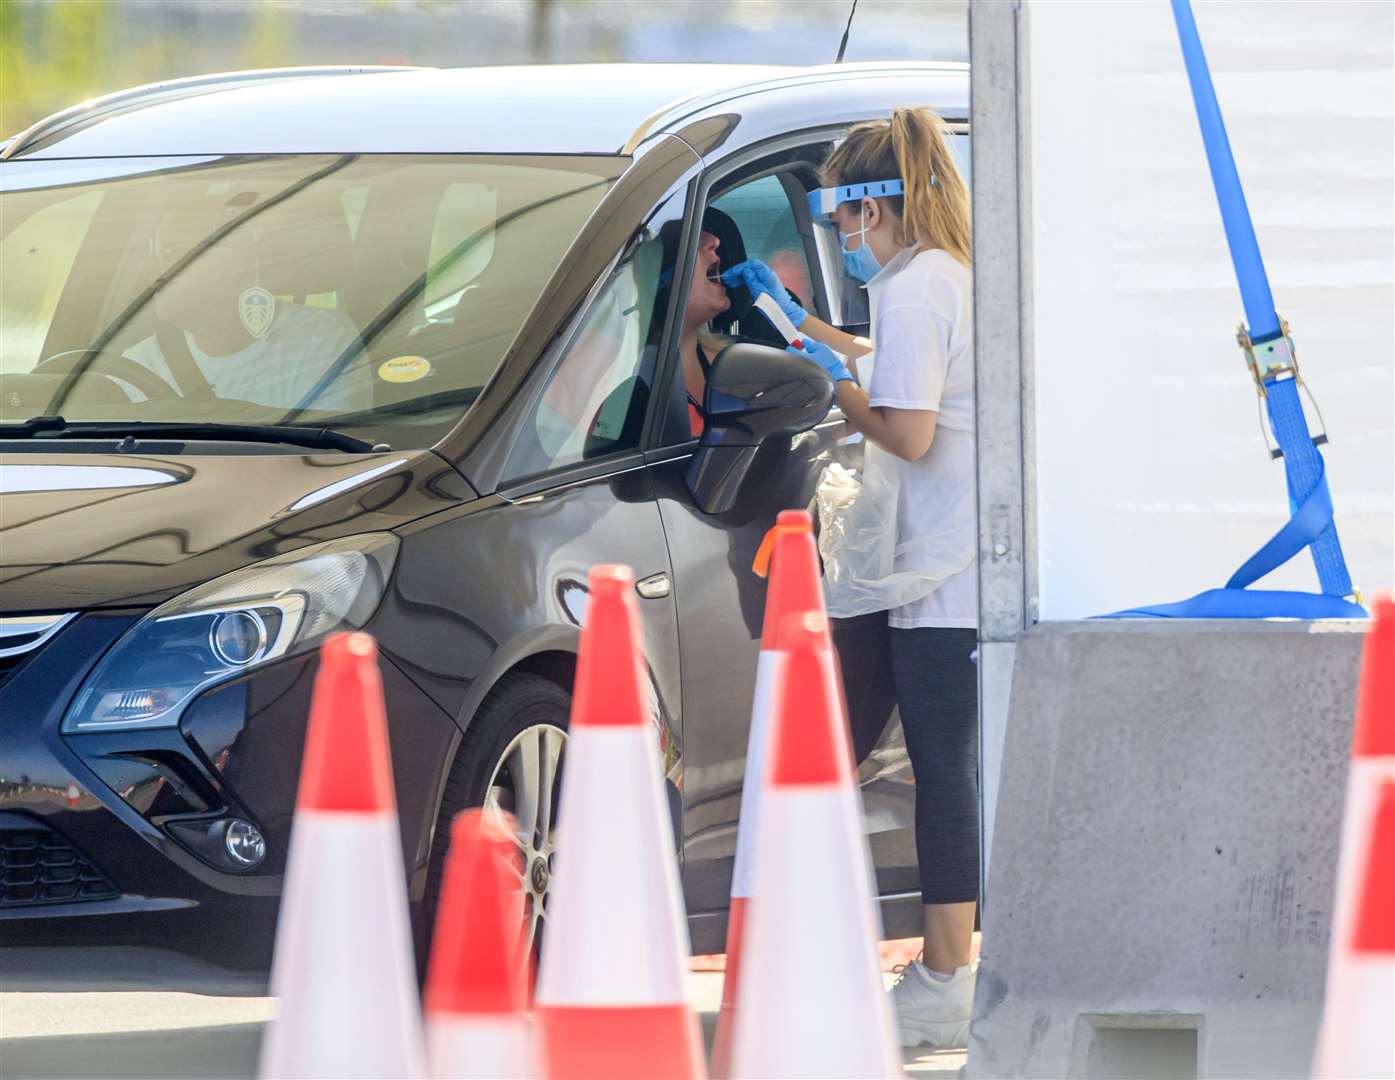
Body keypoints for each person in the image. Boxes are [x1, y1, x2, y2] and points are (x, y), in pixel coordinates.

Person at [723, 106, 977, 1050]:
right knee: (941, 766)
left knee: (944, 772)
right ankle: (942, 967)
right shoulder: (935, 277)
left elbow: (906, 430)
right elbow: (898, 370)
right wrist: (798, 323)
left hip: (943, 576)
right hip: (946, 564)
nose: (838, 235)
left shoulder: (917, 288)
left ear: (878, 204)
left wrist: (829, 383)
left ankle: (947, 978)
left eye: (841, 219)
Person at [124, 208, 369, 413]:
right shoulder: (136, 366)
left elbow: (331, 450)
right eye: (151, 253)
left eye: (167, 252)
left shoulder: (320, 341)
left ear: (234, 265)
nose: (149, 269)